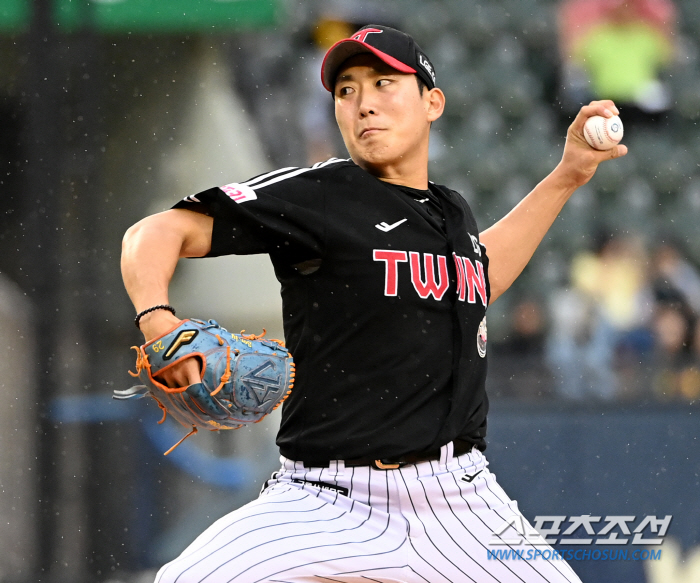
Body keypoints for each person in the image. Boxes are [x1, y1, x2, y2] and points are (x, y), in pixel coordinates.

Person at [121, 25, 626, 583]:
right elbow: (154, 233)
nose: (363, 104)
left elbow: (480, 277)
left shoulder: (451, 212)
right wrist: (158, 321)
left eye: (384, 82)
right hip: (324, 499)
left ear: (432, 102)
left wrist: (566, 176)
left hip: (462, 501)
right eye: (346, 91)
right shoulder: (320, 195)